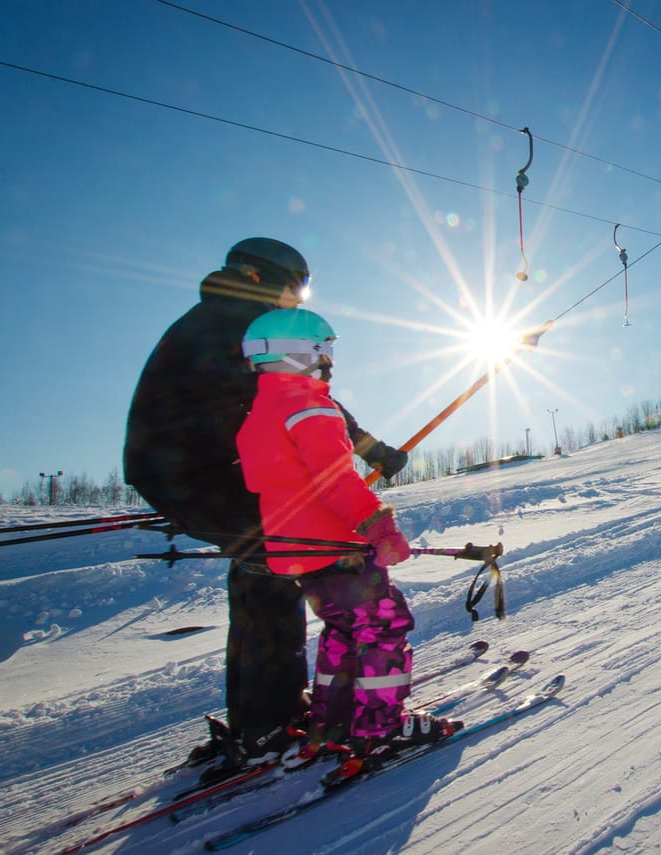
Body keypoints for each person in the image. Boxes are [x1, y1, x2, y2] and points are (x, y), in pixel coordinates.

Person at [123, 238, 408, 772]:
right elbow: (303, 399)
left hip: (184, 472)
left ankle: (260, 715)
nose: (296, 302)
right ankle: (270, 722)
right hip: (208, 473)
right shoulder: (243, 322)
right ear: (266, 278)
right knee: (275, 576)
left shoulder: (212, 318)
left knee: (260, 570)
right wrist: (374, 452)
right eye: (297, 290)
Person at [236, 308, 458, 783]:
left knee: (341, 631)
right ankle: (381, 728)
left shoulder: (258, 414)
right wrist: (380, 526)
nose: (329, 363)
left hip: (299, 555)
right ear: (301, 354)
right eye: (324, 352)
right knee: (382, 628)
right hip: (341, 551)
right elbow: (335, 481)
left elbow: (269, 482)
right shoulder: (311, 407)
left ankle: (331, 720)